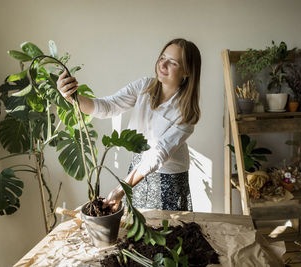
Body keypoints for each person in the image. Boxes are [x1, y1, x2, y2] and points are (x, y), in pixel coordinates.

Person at [57, 38, 201, 212]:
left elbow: (159, 154)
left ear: (187, 72)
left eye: (173, 63)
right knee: (138, 225)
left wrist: (121, 188)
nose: (163, 65)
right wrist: (72, 97)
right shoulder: (144, 87)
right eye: (162, 58)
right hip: (138, 169)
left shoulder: (186, 113)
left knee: (168, 230)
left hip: (169, 177)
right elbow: (108, 106)